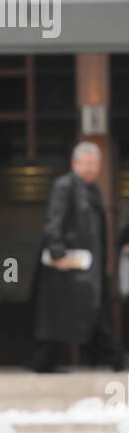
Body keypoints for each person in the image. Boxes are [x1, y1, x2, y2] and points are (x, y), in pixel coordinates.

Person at [27, 141, 124, 373]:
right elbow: (54, 221)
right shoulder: (65, 186)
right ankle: (116, 358)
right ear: (75, 163)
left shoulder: (93, 190)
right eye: (87, 163)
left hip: (87, 268)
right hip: (68, 265)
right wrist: (58, 254)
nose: (91, 168)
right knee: (73, 314)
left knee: (83, 313)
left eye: (95, 164)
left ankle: (46, 362)